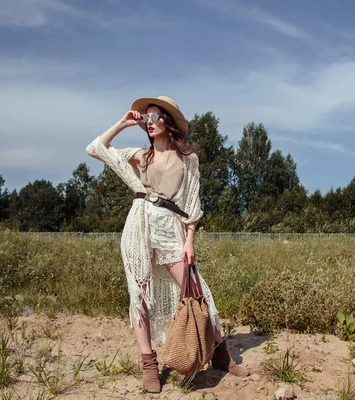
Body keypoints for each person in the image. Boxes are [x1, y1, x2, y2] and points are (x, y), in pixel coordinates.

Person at [85, 96, 248, 393]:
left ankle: (221, 357)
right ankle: (149, 364)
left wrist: (190, 241)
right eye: (146, 117)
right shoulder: (139, 156)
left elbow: (192, 206)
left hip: (171, 229)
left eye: (155, 115)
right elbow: (95, 148)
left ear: (168, 121)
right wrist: (123, 122)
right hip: (138, 226)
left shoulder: (189, 160)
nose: (149, 121)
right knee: (139, 297)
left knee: (200, 292)